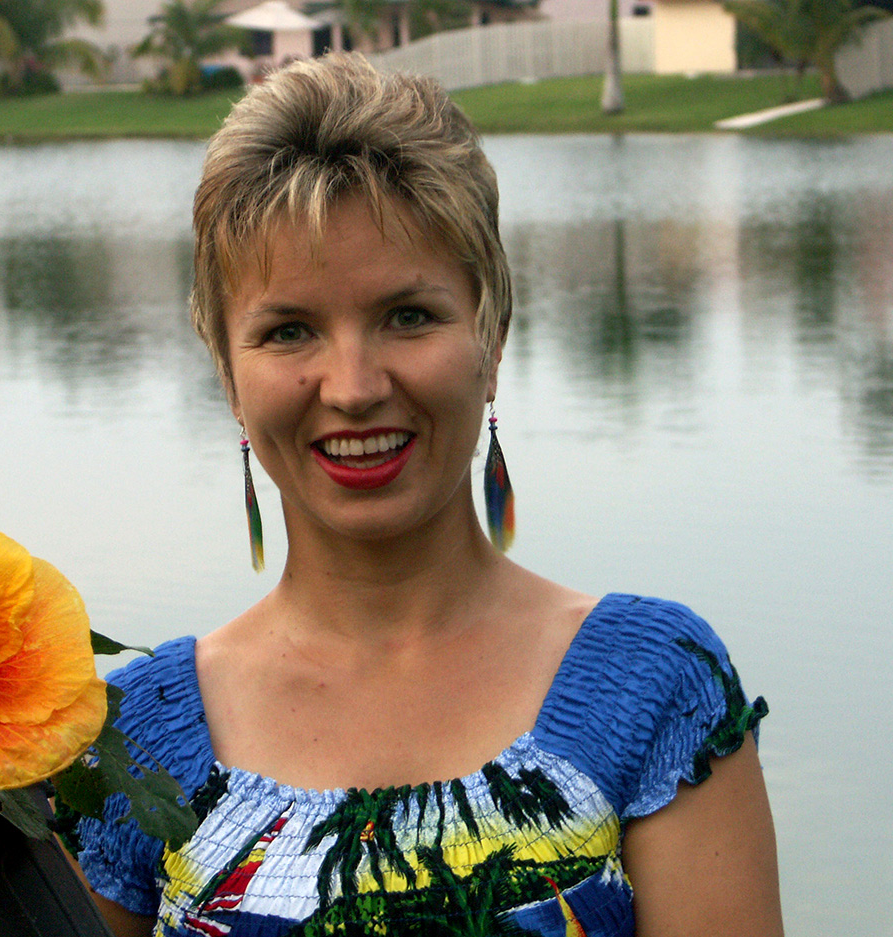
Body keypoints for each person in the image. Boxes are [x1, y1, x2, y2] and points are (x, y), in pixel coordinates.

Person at [78, 53, 782, 937]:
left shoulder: (654, 692)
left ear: (492, 336)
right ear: (228, 374)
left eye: (408, 315)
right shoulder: (133, 743)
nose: (353, 384)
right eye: (289, 330)